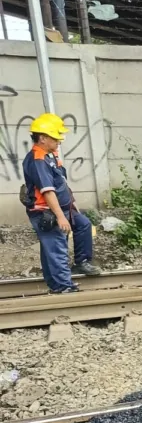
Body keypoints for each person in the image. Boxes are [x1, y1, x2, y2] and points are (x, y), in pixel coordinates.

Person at [21, 113, 101, 294]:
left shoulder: (51, 155)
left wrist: (71, 204)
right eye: (56, 137)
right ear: (42, 138)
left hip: (65, 208)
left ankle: (81, 262)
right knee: (56, 246)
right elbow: (47, 191)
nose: (60, 140)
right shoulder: (38, 160)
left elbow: (60, 183)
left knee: (83, 225)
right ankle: (62, 287)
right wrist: (59, 216)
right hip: (46, 212)